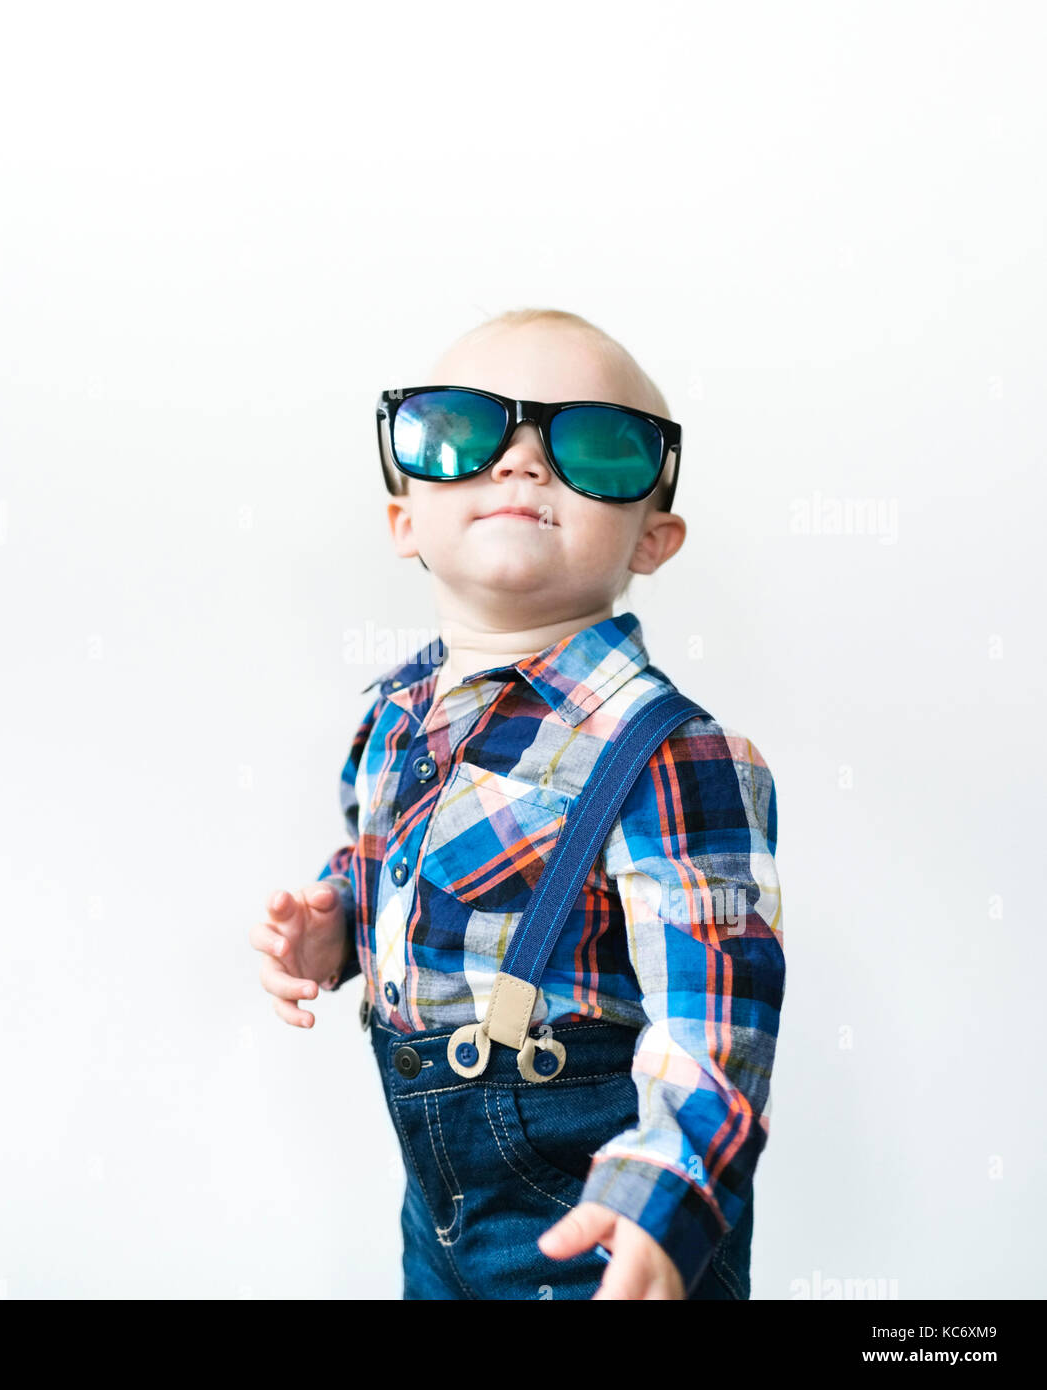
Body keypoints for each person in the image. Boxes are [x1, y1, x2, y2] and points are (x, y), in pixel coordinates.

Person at [251, 307, 785, 1300]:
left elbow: (714, 1023)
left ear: (653, 537)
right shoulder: (392, 719)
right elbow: (387, 861)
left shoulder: (671, 754)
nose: (522, 462)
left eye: (593, 445)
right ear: (404, 519)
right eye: (462, 432)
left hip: (598, 1227)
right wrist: (334, 925)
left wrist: (667, 1197)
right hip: (438, 1219)